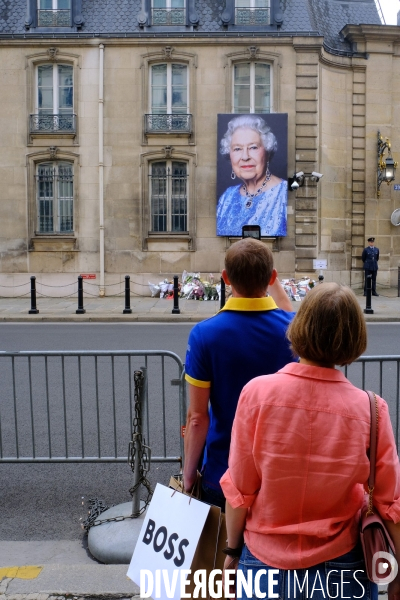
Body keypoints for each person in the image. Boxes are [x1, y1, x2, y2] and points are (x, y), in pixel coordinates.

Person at [220, 283, 400, 600]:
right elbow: (389, 504)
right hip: (344, 566)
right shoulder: (371, 410)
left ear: (299, 327)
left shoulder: (257, 394)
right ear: (354, 338)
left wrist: (232, 550)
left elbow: (241, 491)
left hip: (264, 562)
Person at [183, 238, 295, 509]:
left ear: (225, 278)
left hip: (224, 471)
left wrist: (188, 478)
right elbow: (287, 313)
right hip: (278, 473)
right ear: (272, 277)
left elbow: (197, 419)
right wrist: (271, 278)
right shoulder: (294, 331)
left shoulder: (204, 334)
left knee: (224, 549)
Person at [217, 115, 287, 237]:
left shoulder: (284, 193)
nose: (245, 157)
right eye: (237, 149)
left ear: (267, 151)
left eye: (253, 147)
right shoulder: (227, 197)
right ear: (230, 154)